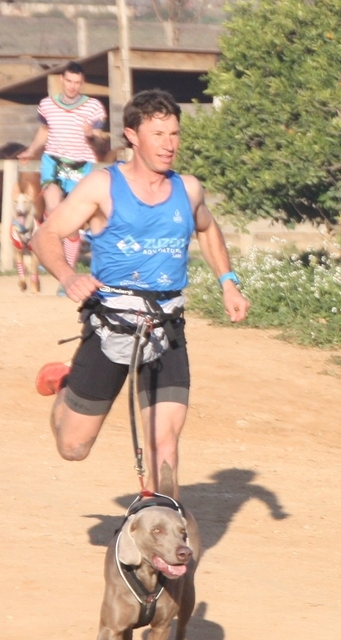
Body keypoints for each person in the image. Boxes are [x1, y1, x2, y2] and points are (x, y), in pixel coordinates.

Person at [32, 90, 250, 498]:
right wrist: (68, 276)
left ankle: (161, 529)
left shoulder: (188, 189)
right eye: (158, 134)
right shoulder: (102, 185)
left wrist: (228, 282)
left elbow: (207, 228)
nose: (169, 145)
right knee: (73, 447)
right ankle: (66, 383)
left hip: (167, 327)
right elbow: (46, 234)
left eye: (174, 134)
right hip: (110, 323)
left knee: (164, 447)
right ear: (132, 135)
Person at [26, 60, 109, 272]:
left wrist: (91, 135)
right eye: (69, 81)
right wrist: (31, 150)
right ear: (62, 79)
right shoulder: (46, 104)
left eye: (77, 82)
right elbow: (44, 130)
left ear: (82, 83)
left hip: (80, 165)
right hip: (53, 161)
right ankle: (49, 250)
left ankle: (67, 267)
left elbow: (101, 141)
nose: (72, 86)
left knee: (72, 219)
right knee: (53, 206)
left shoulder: (93, 107)